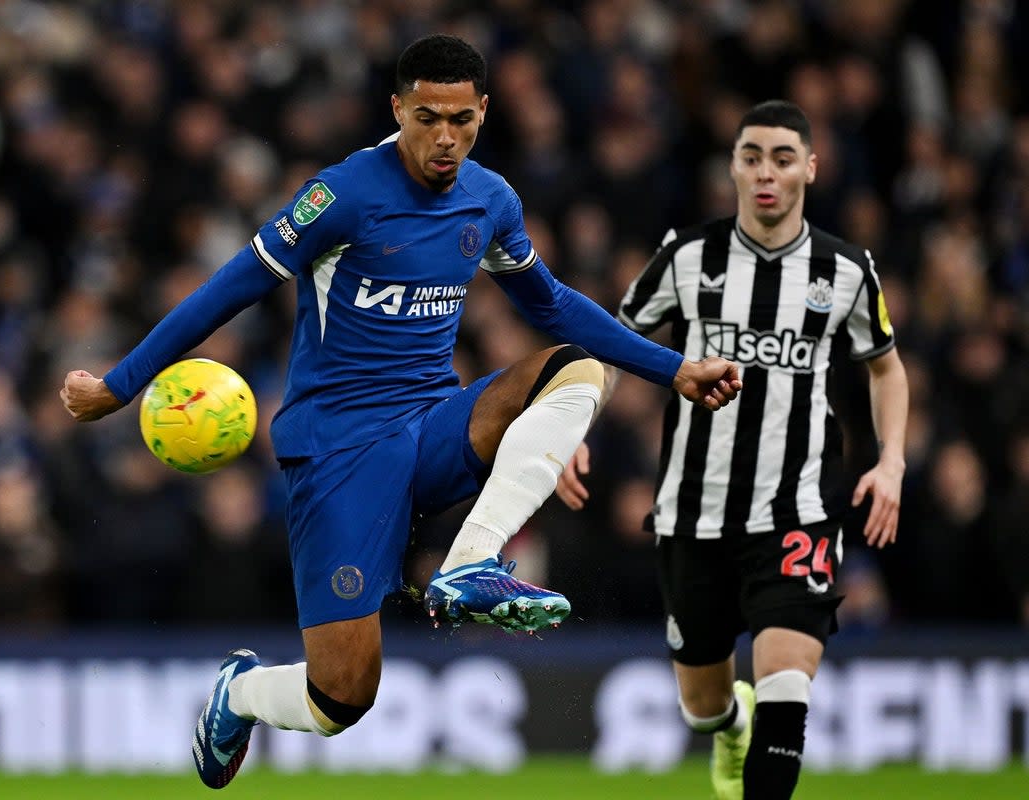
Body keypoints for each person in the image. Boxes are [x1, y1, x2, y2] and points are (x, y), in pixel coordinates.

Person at [60, 34, 741, 790]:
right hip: (338, 452)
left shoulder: (490, 200)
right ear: (397, 110)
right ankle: (240, 692)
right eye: (426, 118)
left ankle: (473, 561)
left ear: (484, 111)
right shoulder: (343, 194)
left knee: (579, 370)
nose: (444, 137)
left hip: (430, 425)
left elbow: (550, 303)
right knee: (341, 698)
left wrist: (675, 368)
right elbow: (234, 285)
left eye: (460, 119)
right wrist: (121, 385)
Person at [558, 100, 908, 800]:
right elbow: (612, 347)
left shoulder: (843, 271)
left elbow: (885, 365)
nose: (766, 173)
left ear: (810, 166)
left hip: (795, 511)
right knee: (704, 706)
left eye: (782, 157)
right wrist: (571, 428)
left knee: (786, 686)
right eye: (751, 157)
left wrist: (891, 459)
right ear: (734, 168)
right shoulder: (689, 258)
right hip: (692, 516)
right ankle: (728, 727)